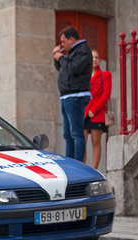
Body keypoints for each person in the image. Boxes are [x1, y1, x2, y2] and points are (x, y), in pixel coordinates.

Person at [53, 26, 93, 162]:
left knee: (76, 133)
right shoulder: (72, 52)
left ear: (71, 39)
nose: (62, 45)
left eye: (63, 41)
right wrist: (56, 58)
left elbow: (73, 68)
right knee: (67, 134)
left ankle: (77, 164)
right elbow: (62, 69)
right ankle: (70, 163)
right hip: (67, 97)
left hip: (76, 96)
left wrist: (61, 57)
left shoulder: (83, 51)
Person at [83, 49, 112, 169]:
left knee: (95, 142)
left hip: (97, 113)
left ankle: (94, 169)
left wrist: (94, 110)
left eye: (96, 57)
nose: (94, 59)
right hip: (84, 112)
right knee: (81, 143)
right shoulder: (83, 76)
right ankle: (82, 168)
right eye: (92, 57)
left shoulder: (105, 75)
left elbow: (106, 95)